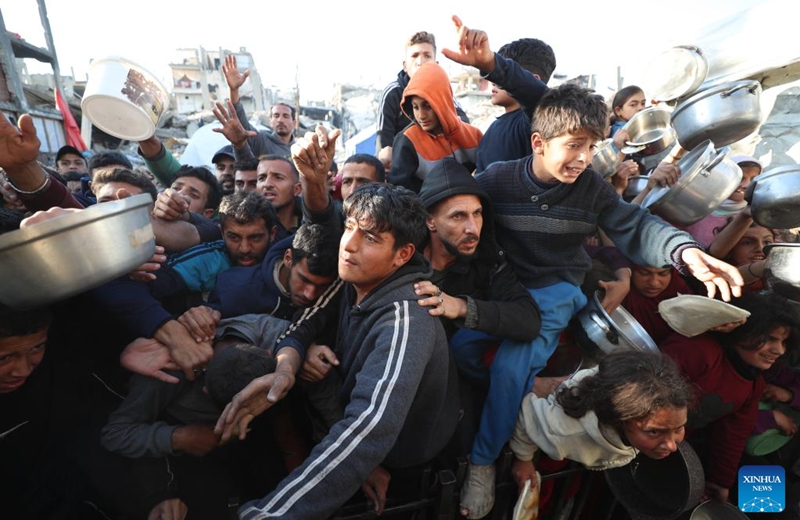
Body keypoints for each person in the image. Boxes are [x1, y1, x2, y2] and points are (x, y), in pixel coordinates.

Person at [464, 81, 744, 518]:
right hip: (504, 291)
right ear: (538, 143)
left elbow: (635, 224)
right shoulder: (496, 179)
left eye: (592, 146)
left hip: (555, 293)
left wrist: (686, 251)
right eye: (574, 145)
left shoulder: (592, 187)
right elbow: (453, 203)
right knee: (460, 352)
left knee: (507, 366)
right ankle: (530, 389)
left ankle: (481, 461)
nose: (584, 158)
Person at [215, 183, 459, 520]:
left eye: (371, 238)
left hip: (400, 465)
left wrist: (271, 515)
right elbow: (304, 325)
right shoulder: (353, 280)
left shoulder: (406, 321)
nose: (349, 246)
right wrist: (285, 371)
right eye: (349, 228)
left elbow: (367, 430)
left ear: (402, 255)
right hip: (352, 447)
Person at [661, 291, 800, 504]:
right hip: (661, 446)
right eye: (770, 339)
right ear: (744, 330)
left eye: (784, 342)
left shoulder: (754, 382)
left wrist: (721, 483)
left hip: (702, 448)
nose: (778, 350)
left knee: (778, 500)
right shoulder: (699, 351)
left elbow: (733, 436)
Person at [510, 351, 693, 493]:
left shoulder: (640, 384)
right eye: (654, 432)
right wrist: (523, 458)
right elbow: (528, 414)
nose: (671, 446)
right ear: (619, 420)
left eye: (679, 428)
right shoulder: (564, 432)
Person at [440, 17, 553, 172]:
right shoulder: (493, 129)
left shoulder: (535, 123)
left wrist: (490, 64)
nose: (493, 81)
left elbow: (537, 95)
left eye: (500, 77)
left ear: (532, 80)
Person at [376, 30, 469, 170]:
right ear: (405, 65)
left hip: (438, 166)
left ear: (436, 64)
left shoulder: (443, 90)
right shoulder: (392, 93)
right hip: (403, 165)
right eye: (414, 56)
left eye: (427, 56)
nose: (420, 62)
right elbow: (383, 144)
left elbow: (463, 123)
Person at [388, 61, 483, 192]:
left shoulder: (474, 136)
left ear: (443, 101)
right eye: (415, 107)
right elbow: (398, 192)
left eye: (427, 106)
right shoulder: (408, 140)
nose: (421, 115)